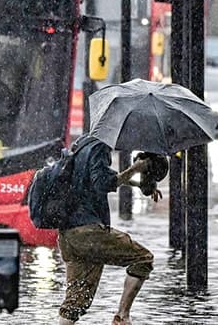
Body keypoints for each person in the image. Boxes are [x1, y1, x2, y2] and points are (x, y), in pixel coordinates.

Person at [58, 137, 161, 325]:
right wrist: (135, 169)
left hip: (68, 235)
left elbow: (97, 176)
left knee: (74, 303)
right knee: (143, 259)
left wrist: (138, 184)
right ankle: (122, 316)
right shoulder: (100, 147)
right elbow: (102, 183)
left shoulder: (82, 144)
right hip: (88, 232)